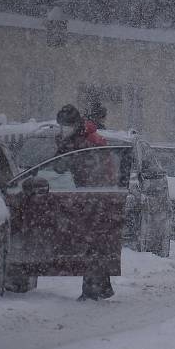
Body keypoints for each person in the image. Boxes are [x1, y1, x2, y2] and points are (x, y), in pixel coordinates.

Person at [55, 103, 115, 301]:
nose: (63, 129)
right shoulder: (67, 140)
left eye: (66, 125)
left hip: (96, 195)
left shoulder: (93, 140)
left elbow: (103, 169)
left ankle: (90, 290)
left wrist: (97, 194)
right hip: (78, 194)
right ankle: (103, 287)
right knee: (94, 244)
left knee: (93, 244)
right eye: (60, 125)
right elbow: (58, 168)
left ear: (75, 124)